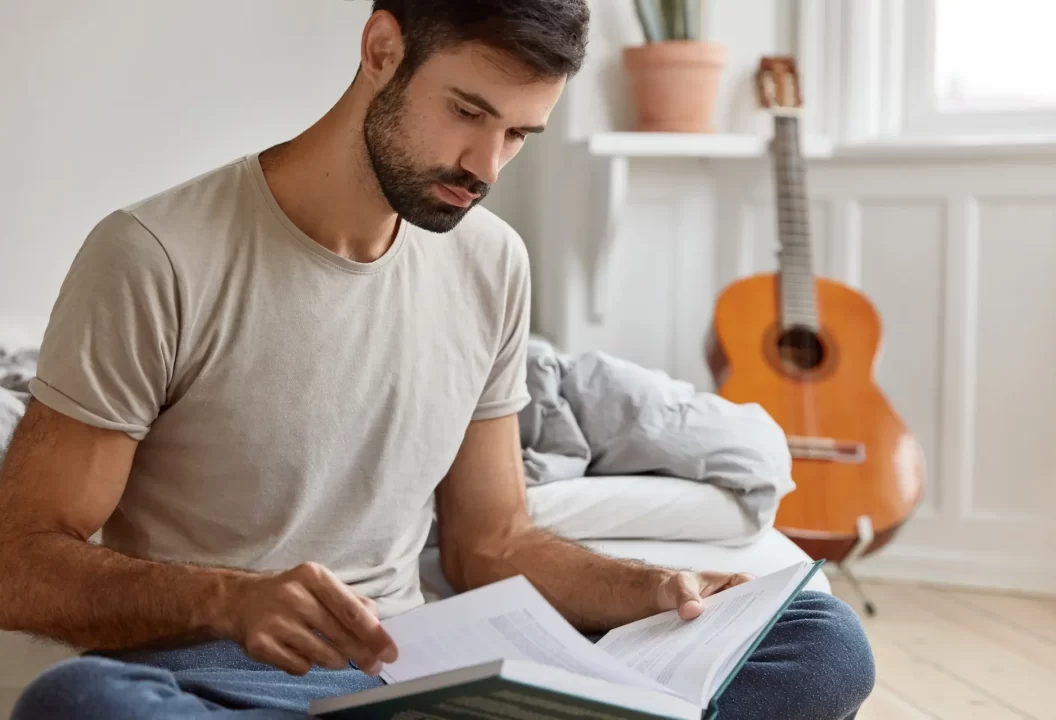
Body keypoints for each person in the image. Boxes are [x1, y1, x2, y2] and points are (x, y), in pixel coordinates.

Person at [0, 1, 875, 718]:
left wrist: (659, 593)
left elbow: (490, 544)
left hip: (414, 676)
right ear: (382, 47)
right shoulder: (154, 255)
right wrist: (231, 601)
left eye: (520, 135)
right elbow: (19, 562)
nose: (485, 165)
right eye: (467, 113)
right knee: (81, 705)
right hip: (224, 680)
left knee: (818, 640)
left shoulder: (491, 260)